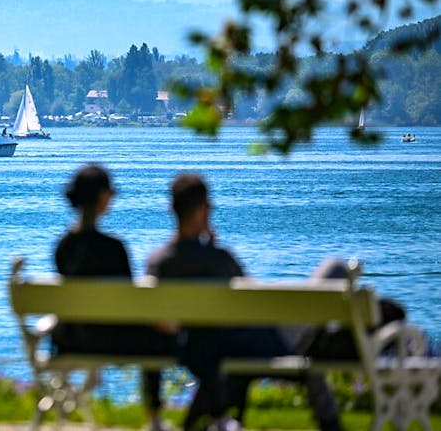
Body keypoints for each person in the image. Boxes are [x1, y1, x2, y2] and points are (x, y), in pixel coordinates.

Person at [146, 173, 343, 431]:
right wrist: (214, 250)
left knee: (311, 341)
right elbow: (255, 297)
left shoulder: (158, 262)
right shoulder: (221, 259)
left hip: (203, 347)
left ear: (172, 209)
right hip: (265, 342)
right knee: (335, 269)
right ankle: (331, 423)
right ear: (204, 211)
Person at [54, 164, 174, 431]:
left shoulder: (63, 247)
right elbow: (130, 304)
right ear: (101, 197)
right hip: (118, 340)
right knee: (161, 335)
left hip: (75, 339)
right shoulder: (114, 248)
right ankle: (154, 418)